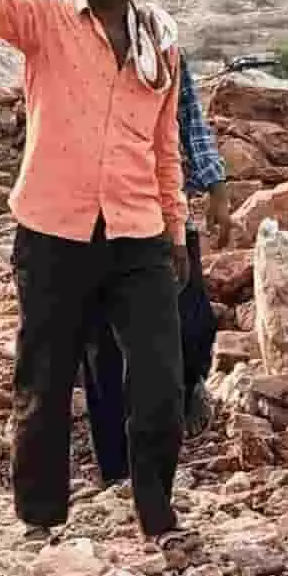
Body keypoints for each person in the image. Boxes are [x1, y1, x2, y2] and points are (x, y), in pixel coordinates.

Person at [0, 0, 189, 543]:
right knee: (44, 381)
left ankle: (156, 514)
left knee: (160, 381)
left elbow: (164, 145)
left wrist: (176, 229)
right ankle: (41, 519)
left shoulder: (161, 46)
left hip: (138, 235)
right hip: (52, 233)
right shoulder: (44, 21)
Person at [81, 55, 228, 486]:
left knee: (194, 322)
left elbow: (189, 120)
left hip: (162, 211)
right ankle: (115, 468)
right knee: (102, 345)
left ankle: (186, 387)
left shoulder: (160, 49)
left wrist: (215, 185)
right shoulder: (71, 50)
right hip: (90, 218)